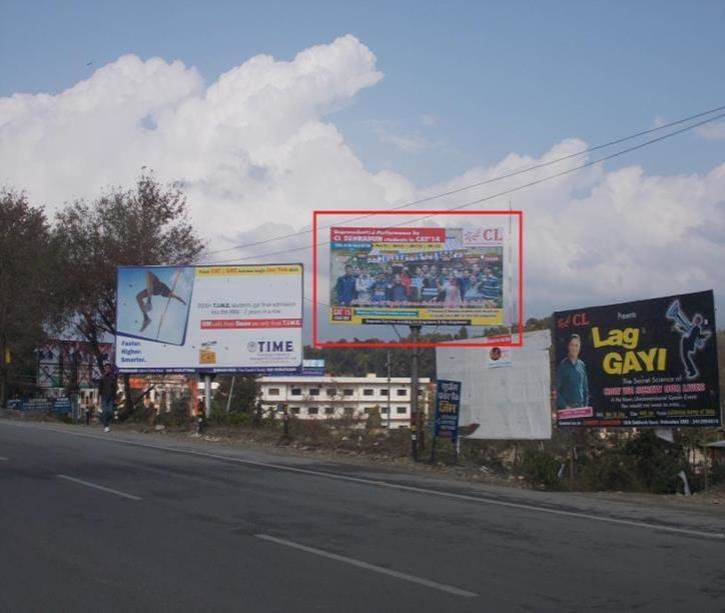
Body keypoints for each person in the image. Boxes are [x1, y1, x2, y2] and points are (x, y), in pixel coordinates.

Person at [555, 334, 589, 410]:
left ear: (579, 348)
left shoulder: (582, 365)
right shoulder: (562, 366)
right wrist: (565, 406)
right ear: (568, 347)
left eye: (576, 345)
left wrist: (585, 406)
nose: (574, 348)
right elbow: (556, 391)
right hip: (567, 410)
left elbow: (585, 389)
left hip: (581, 409)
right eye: (572, 345)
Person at [98, 363, 117, 433]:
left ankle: (103, 420)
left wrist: (115, 398)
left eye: (109, 368)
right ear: (105, 369)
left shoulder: (113, 377)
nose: (107, 369)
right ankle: (106, 426)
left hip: (111, 397)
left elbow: (115, 388)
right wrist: (99, 397)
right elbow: (100, 388)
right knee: (105, 411)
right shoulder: (102, 377)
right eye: (106, 368)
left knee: (111, 411)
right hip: (104, 396)